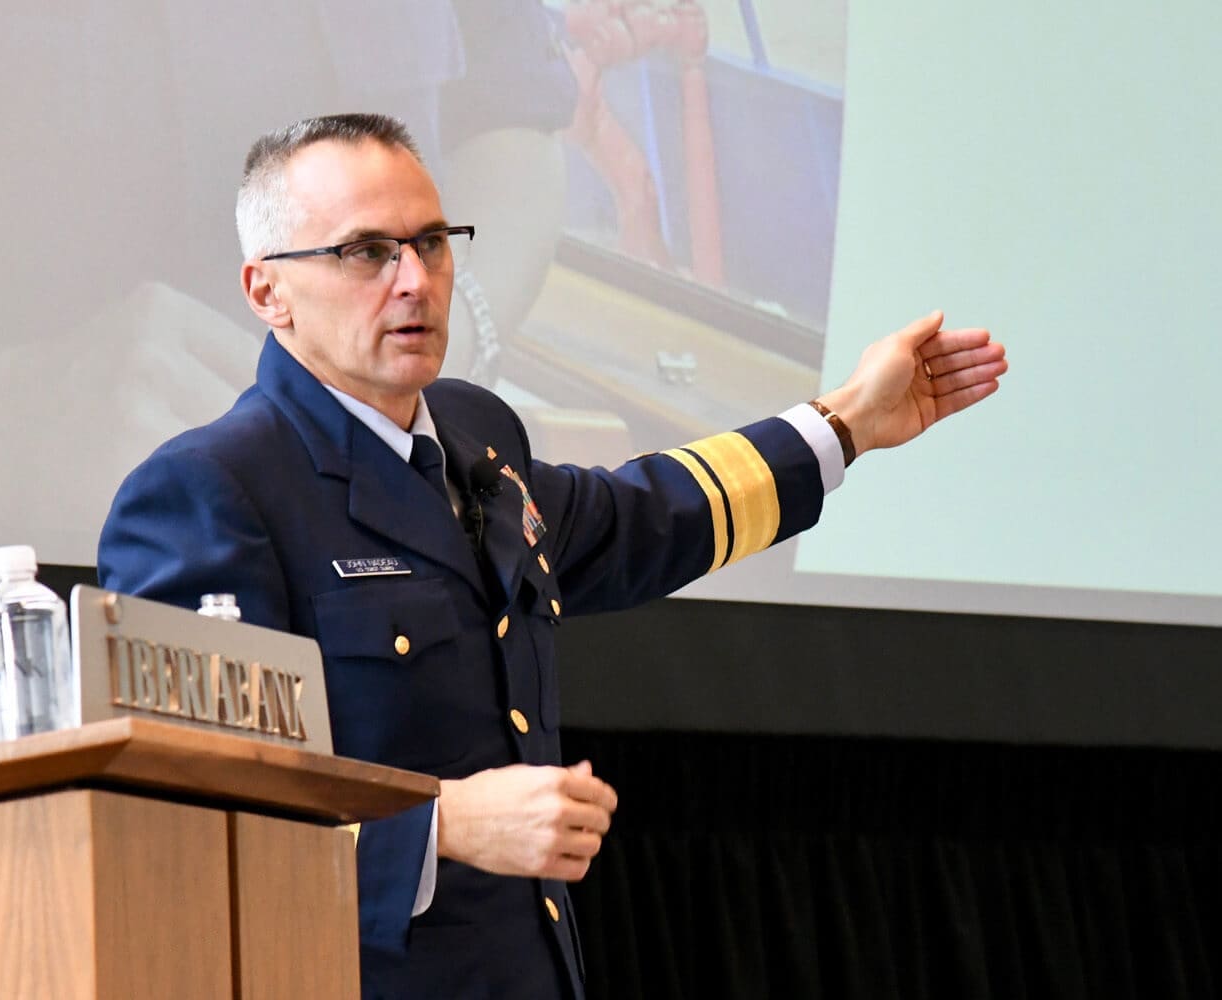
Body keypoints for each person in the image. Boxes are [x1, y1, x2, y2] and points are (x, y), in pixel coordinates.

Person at [97, 113, 1007, 999]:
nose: (414, 280)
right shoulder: (211, 492)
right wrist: (441, 827)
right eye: (367, 252)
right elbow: (192, 827)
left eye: (432, 243)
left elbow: (641, 518)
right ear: (267, 292)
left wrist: (846, 423)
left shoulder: (475, 433)